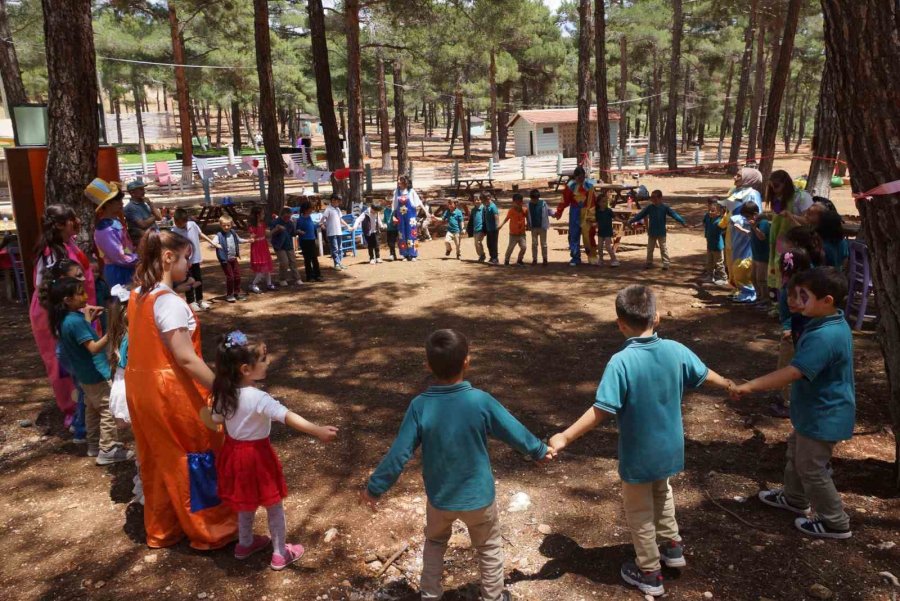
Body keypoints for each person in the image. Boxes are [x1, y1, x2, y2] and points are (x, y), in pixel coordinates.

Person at [548, 285, 734, 597]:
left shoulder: (621, 362)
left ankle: (649, 572)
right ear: (657, 318)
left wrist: (565, 436)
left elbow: (601, 410)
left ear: (620, 324)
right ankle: (673, 547)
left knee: (639, 513)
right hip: (670, 448)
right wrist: (729, 384)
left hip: (639, 454)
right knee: (662, 493)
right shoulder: (676, 350)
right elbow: (704, 373)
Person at [361, 329, 554, 601]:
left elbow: (399, 453)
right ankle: (494, 597)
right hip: (479, 498)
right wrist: (538, 450)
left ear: (428, 365)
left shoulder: (420, 406)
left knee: (435, 542)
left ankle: (429, 595)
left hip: (440, 498)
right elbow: (513, 430)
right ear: (467, 361)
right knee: (488, 547)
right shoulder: (480, 401)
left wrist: (374, 488)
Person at [126, 229, 238, 550]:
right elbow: (186, 359)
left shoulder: (138, 295)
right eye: (186, 257)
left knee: (156, 457)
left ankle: (164, 528)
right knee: (195, 454)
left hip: (141, 389)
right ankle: (211, 529)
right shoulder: (169, 303)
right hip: (171, 392)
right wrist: (222, 387)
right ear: (167, 257)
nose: (189, 263)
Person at [731, 267, 854, 540]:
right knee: (796, 452)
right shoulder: (827, 321)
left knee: (812, 467)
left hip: (824, 415)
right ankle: (794, 498)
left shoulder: (826, 336)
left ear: (827, 301)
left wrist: (750, 385)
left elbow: (794, 371)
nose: (795, 300)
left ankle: (836, 522)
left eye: (803, 295)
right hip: (812, 412)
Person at [209, 331, 338, 569]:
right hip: (258, 457)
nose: (268, 362)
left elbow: (214, 418)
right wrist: (317, 430)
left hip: (233, 455)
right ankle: (280, 553)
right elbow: (287, 416)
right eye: (264, 359)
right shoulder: (259, 398)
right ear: (246, 369)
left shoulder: (224, 394)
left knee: (245, 502)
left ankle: (245, 543)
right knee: (274, 505)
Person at [49, 276, 132, 465]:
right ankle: (108, 448)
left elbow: (80, 338)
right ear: (67, 300)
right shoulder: (74, 322)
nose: (85, 296)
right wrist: (113, 330)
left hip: (84, 374)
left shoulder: (67, 319)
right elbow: (93, 348)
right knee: (107, 410)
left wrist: (88, 320)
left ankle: (93, 444)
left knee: (92, 409)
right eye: (80, 293)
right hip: (97, 372)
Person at [30, 203, 97, 425]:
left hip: (76, 309)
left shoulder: (68, 244)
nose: (76, 223)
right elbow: (45, 288)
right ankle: (73, 411)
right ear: (59, 225)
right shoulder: (50, 254)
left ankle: (86, 404)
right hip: (57, 314)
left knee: (80, 358)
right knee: (63, 363)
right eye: (72, 220)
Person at [106, 284, 144, 503]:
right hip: (131, 387)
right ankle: (143, 486)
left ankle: (142, 483)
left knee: (140, 439)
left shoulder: (120, 333)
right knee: (142, 441)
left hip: (123, 386)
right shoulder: (132, 337)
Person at [771, 248, 814, 418]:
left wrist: (787, 328)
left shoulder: (794, 287)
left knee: (788, 366)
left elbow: (795, 311)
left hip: (794, 333)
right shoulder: (809, 283)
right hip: (798, 330)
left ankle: (788, 403)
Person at [766, 169, 814, 288]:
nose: (774, 190)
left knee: (789, 275)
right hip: (779, 242)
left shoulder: (802, 197)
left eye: (776, 186)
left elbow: (809, 222)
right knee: (777, 270)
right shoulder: (778, 197)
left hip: (796, 243)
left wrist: (791, 216)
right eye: (771, 187)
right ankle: (776, 301)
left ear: (785, 183)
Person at [89, 180, 137, 287]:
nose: (121, 203)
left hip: (128, 267)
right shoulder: (106, 229)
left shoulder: (115, 222)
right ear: (108, 203)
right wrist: (139, 258)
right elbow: (119, 257)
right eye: (118, 201)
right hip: (119, 271)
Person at [172, 208, 220, 311]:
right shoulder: (174, 231)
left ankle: (200, 300)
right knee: (188, 281)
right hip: (185, 262)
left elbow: (200, 234)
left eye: (184, 223)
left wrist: (212, 242)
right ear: (175, 221)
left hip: (195, 259)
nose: (183, 226)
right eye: (180, 224)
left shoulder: (192, 225)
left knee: (198, 280)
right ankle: (191, 301)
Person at [627, 190, 688, 270]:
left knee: (663, 248)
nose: (652, 199)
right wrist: (631, 221)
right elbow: (640, 215)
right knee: (650, 248)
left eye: (654, 197)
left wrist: (682, 221)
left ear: (660, 198)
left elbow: (674, 215)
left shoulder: (664, 208)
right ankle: (649, 263)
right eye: (651, 197)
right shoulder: (650, 207)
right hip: (652, 231)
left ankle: (666, 263)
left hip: (661, 232)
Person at [722, 168, 763, 282]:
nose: (735, 177)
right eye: (736, 175)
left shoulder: (753, 194)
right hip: (732, 229)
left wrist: (746, 225)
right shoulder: (734, 191)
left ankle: (747, 291)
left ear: (748, 178)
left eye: (738, 176)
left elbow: (757, 213)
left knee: (743, 260)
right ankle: (735, 287)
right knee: (731, 257)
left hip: (744, 231)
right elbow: (728, 210)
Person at [555, 166, 597, 266]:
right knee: (574, 234)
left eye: (583, 177)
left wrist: (593, 215)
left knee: (588, 234)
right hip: (574, 212)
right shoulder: (570, 186)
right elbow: (564, 200)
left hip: (587, 212)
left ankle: (592, 256)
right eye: (579, 178)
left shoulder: (589, 185)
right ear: (575, 177)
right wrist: (559, 211)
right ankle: (575, 257)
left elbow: (593, 200)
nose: (581, 180)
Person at [728, 202, 760, 303]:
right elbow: (733, 221)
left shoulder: (757, 223)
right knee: (738, 271)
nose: (746, 218)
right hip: (737, 250)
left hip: (748, 252)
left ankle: (750, 293)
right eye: (744, 216)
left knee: (743, 271)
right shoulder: (738, 219)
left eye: (748, 216)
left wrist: (745, 229)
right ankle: (742, 291)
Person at [215, 216, 247, 303]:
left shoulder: (233, 233)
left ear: (231, 225)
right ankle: (229, 295)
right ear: (220, 225)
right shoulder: (219, 235)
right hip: (225, 260)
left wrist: (248, 240)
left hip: (233, 258)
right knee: (230, 277)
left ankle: (237, 293)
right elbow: (213, 242)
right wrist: (215, 245)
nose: (226, 227)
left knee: (237, 276)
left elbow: (239, 240)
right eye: (224, 225)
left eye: (228, 225)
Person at [270, 207, 303, 286]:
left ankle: (297, 278)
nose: (287, 218)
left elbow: (292, 233)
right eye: (286, 217)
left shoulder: (290, 223)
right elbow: (271, 234)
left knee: (293, 262)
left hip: (288, 244)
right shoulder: (275, 222)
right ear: (282, 215)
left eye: (289, 217)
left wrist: (297, 232)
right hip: (279, 245)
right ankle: (282, 278)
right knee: (284, 262)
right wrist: (277, 229)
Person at [246, 206, 276, 293]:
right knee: (261, 268)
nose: (264, 215)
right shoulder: (252, 226)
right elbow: (252, 236)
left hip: (263, 246)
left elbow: (267, 234)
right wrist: (252, 237)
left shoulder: (263, 224)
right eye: (262, 213)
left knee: (266, 266)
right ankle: (253, 284)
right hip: (257, 248)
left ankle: (269, 283)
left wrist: (276, 229)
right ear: (258, 215)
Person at [123, 181, 161, 246]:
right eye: (141, 189)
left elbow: (159, 217)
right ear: (132, 192)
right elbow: (143, 224)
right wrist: (155, 216)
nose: (144, 191)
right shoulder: (130, 207)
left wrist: (150, 204)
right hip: (143, 240)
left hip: (153, 237)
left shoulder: (145, 204)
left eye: (143, 189)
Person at [749, 207, 772, 307]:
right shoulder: (754, 223)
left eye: (747, 216)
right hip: (755, 255)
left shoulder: (763, 223)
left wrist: (754, 227)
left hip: (762, 256)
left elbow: (762, 236)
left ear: (754, 214)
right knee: (753, 278)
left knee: (761, 279)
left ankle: (765, 299)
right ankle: (759, 296)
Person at [701, 198, 727, 285]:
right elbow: (704, 223)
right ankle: (710, 276)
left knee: (719, 263)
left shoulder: (720, 221)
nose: (710, 212)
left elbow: (725, 228)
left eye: (713, 211)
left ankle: (723, 278)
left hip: (717, 245)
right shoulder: (708, 217)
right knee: (709, 262)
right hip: (710, 243)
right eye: (709, 210)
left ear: (719, 212)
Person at [321, 194, 349, 270]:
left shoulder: (337, 209)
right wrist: (322, 224)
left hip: (339, 232)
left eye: (339, 201)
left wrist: (347, 225)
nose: (338, 203)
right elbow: (323, 219)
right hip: (331, 233)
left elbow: (341, 219)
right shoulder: (328, 209)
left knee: (340, 248)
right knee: (335, 248)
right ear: (333, 200)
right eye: (337, 201)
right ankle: (336, 263)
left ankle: (339, 263)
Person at [296, 202, 323, 282]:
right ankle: (309, 276)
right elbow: (297, 230)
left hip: (312, 240)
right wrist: (300, 232)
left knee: (314, 258)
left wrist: (319, 225)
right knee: (308, 259)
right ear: (305, 210)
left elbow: (312, 226)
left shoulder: (309, 218)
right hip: (305, 241)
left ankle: (317, 275)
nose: (311, 210)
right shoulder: (300, 219)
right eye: (310, 208)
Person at [499, 193, 528, 266]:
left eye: (520, 202)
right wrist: (501, 225)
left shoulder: (524, 210)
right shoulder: (511, 211)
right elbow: (507, 219)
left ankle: (520, 259)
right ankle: (506, 260)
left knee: (524, 247)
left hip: (522, 233)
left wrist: (528, 224)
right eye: (517, 203)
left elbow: (528, 217)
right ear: (513, 202)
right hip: (513, 234)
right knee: (510, 248)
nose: (519, 204)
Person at [526, 189, 551, 265]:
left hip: (542, 227)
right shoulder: (528, 205)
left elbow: (548, 211)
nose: (535, 201)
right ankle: (534, 259)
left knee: (544, 244)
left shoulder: (543, 203)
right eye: (533, 199)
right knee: (534, 244)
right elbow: (527, 215)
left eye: (536, 199)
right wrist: (528, 224)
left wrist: (555, 214)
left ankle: (545, 259)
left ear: (538, 198)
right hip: (533, 227)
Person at [595, 191, 619, 267]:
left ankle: (614, 260)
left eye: (606, 201)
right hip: (600, 232)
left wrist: (623, 221)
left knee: (608, 246)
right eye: (603, 202)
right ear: (599, 203)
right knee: (599, 247)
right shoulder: (597, 212)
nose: (604, 203)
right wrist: (594, 225)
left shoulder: (609, 211)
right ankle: (601, 260)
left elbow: (615, 218)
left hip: (608, 231)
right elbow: (596, 221)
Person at [393, 190, 420, 262]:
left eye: (401, 180)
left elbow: (418, 204)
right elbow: (394, 206)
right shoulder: (396, 192)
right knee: (402, 236)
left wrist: (425, 213)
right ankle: (404, 254)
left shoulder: (412, 191)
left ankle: (414, 254)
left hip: (411, 218)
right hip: (401, 218)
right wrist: (393, 216)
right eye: (398, 180)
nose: (399, 182)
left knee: (412, 235)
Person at [480, 194, 500, 265]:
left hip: (494, 229)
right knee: (489, 244)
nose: (483, 202)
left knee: (494, 244)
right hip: (488, 229)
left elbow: (496, 216)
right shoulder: (486, 207)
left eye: (484, 200)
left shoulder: (493, 206)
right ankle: (492, 257)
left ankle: (495, 258)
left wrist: (497, 226)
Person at [467, 197, 486, 262]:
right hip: (475, 229)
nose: (477, 201)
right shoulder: (473, 210)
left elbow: (485, 219)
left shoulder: (484, 209)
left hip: (481, 229)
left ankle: (482, 255)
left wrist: (484, 230)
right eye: (475, 200)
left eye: (478, 200)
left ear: (481, 200)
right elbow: (471, 220)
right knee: (476, 243)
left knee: (478, 242)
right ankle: (481, 255)